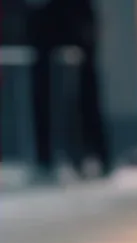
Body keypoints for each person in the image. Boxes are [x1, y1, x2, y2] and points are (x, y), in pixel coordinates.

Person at [26, 0, 111, 180]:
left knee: (84, 90)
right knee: (45, 90)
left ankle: (93, 154)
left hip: (73, 19)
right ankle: (48, 158)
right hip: (47, 20)